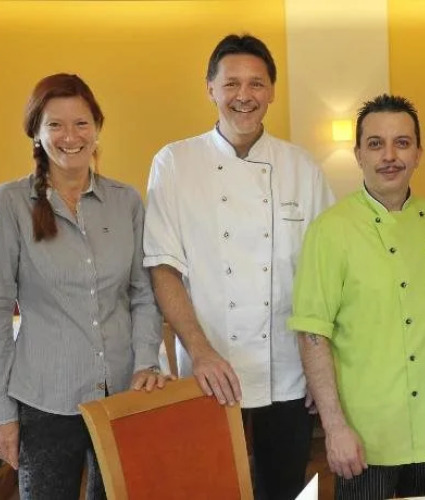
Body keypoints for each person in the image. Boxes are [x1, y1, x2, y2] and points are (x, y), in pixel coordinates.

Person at [143, 34, 334, 500]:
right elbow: (163, 268)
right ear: (210, 88)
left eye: (256, 83)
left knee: (285, 488)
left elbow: (327, 275)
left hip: (288, 369)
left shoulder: (302, 167)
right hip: (209, 367)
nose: (243, 95)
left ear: (272, 91)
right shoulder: (176, 163)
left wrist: (323, 369)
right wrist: (201, 351)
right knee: (209, 488)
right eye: (231, 83)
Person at [0, 73, 167, 500]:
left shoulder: (126, 201)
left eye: (81, 123)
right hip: (44, 399)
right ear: (36, 133)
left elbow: (142, 294)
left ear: (97, 128)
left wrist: (146, 363)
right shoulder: (9, 204)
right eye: (55, 125)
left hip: (122, 394)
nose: (70, 137)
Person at [288, 94, 425, 499]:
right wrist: (334, 427)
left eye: (402, 143)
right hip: (366, 436)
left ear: (419, 154)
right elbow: (312, 332)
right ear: (358, 154)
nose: (390, 156)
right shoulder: (331, 230)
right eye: (376, 144)